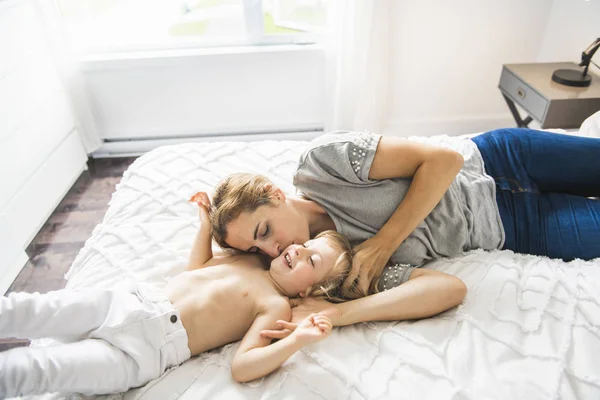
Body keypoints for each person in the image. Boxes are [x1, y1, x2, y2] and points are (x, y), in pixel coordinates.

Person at [208, 127, 599, 333]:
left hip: (500, 160)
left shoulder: (323, 164)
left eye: (263, 231)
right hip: (514, 227)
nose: (273, 250)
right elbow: (445, 290)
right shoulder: (332, 270)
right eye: (258, 250)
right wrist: (338, 315)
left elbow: (443, 161)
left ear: (273, 193)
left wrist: (384, 243)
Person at [0, 192, 355, 397]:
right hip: (125, 303)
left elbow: (243, 367)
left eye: (312, 259)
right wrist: (204, 224)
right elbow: (197, 268)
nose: (297, 249)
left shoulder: (275, 304)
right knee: (30, 310)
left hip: (145, 353)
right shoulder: (251, 259)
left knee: (40, 369)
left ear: (310, 289)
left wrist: (298, 340)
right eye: (305, 244)